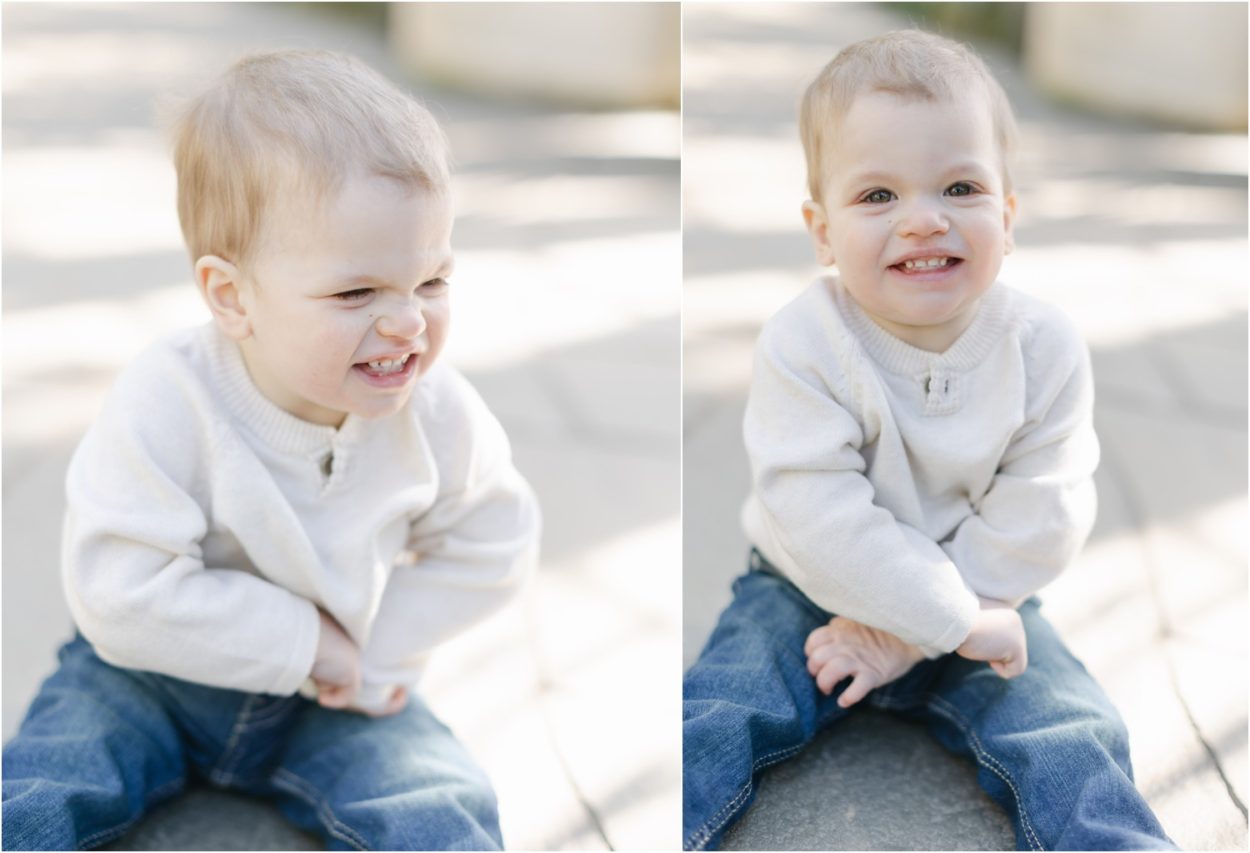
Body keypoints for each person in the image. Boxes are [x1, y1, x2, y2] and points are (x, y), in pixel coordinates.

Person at [2, 49, 540, 851]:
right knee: (43, 790)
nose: (407, 322)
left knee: (441, 804)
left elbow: (496, 539)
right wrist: (302, 640)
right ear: (232, 296)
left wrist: (371, 653)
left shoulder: (437, 412)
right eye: (356, 292)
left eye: (432, 280)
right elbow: (118, 588)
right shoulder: (168, 400)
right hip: (148, 677)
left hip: (334, 698)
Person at [682, 30, 1175, 851]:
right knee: (716, 708)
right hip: (810, 588)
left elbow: (1044, 506)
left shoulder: (1042, 345)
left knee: (1069, 728)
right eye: (877, 196)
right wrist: (920, 618)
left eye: (960, 186)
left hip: (987, 590)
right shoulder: (805, 342)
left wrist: (919, 631)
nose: (922, 219)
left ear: (1007, 216)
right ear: (822, 231)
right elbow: (816, 511)